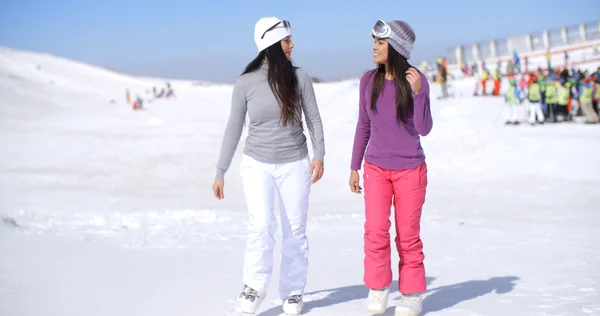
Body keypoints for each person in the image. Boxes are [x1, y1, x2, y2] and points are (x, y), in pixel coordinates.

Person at [212, 17, 325, 315]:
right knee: (261, 225)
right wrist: (220, 170)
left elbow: (313, 118)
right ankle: (254, 286)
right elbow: (233, 128)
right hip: (256, 164)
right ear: (271, 45)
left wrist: (319, 155)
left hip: (295, 162)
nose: (292, 45)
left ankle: (292, 292)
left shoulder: (299, 77)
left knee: (295, 230)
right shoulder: (246, 82)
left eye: (291, 39)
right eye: (287, 40)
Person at [349, 19, 433, 316]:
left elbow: (424, 129)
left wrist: (419, 92)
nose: (374, 46)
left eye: (380, 42)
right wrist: (354, 165)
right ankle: (379, 286)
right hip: (376, 169)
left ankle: (411, 293)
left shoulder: (415, 78)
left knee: (407, 235)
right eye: (374, 41)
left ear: (395, 47)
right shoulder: (368, 81)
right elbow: (363, 125)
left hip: (411, 170)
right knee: (374, 230)